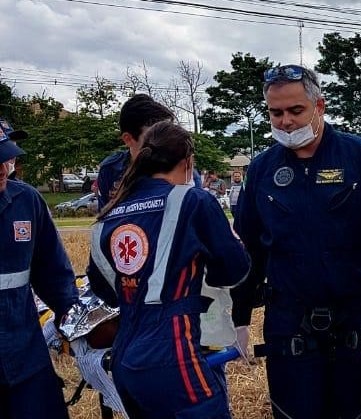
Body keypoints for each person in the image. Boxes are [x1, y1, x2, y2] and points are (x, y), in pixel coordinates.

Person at [231, 64, 361, 418]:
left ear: (320, 106)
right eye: (275, 112)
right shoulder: (261, 171)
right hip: (287, 326)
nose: (285, 121)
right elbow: (249, 250)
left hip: (353, 323)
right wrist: (239, 317)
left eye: (295, 110)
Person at [86, 121, 250, 418]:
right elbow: (234, 270)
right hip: (173, 353)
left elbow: (103, 289)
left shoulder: (108, 215)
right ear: (188, 162)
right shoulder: (193, 200)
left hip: (125, 356)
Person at [0, 126, 79, 418]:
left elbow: (53, 272)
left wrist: (70, 320)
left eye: (6, 160)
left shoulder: (27, 201)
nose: (3, 168)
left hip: (24, 353)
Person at [96, 94, 201, 209]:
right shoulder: (110, 169)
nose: (164, 145)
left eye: (168, 136)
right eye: (153, 138)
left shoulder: (184, 173)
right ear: (128, 139)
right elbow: (105, 219)